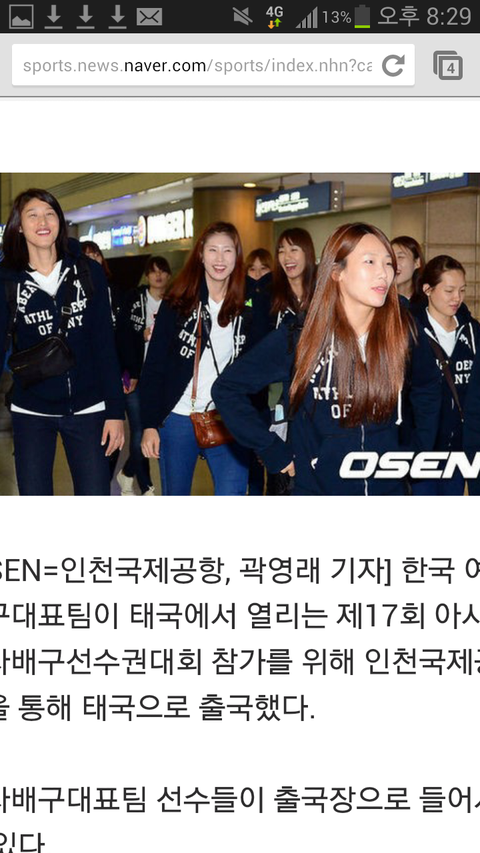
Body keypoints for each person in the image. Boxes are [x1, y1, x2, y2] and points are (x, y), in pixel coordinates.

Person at [212, 222, 441, 496]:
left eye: (388, 263)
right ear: (337, 272)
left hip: (389, 489)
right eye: (370, 262)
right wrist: (272, 449)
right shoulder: (302, 336)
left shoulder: (402, 330)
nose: (384, 273)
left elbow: (429, 386)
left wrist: (418, 450)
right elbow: (228, 389)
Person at [0, 188, 124, 496]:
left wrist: (115, 412)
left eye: (49, 214)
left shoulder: (88, 271)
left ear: (59, 221)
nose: (42, 222)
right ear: (19, 226)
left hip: (88, 408)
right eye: (32, 215)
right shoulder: (7, 281)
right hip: (31, 410)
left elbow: (105, 347)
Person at [140, 221, 262, 496]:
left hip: (227, 417)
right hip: (179, 417)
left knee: (233, 494)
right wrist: (149, 424)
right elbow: (154, 366)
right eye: (213, 250)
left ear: (237, 256)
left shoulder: (247, 304)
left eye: (227, 251)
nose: (220, 259)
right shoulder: (178, 302)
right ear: (201, 254)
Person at [408, 254, 480, 495]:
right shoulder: (411, 333)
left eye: (462, 290)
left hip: (461, 451)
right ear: (427, 289)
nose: (457, 298)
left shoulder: (472, 332)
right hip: (421, 452)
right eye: (449, 290)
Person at [116, 256, 172, 496]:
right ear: (147, 275)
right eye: (153, 271)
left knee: (154, 429)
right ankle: (147, 486)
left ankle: (128, 472)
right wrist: (142, 336)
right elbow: (122, 334)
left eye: (162, 271)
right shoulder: (134, 299)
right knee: (139, 429)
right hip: (134, 376)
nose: (158, 276)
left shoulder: (174, 302)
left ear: (169, 275)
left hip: (160, 378)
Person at [391, 235, 425, 302]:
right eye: (391, 257)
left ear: (417, 263)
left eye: (400, 257)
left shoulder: (427, 301)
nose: (394, 263)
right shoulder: (379, 300)